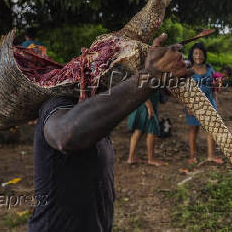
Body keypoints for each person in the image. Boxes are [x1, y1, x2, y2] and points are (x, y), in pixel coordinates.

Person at [27, 33, 192, 232]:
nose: (119, 73)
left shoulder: (98, 108)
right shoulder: (58, 104)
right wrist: (151, 76)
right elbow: (66, 135)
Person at [185, 42, 223, 165]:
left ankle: (211, 156)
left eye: (201, 53)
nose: (198, 56)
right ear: (192, 55)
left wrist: (215, 101)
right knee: (193, 129)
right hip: (194, 104)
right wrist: (189, 106)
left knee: (212, 130)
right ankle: (192, 156)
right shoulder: (188, 70)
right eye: (196, 53)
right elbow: (185, 90)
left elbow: (214, 88)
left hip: (209, 103)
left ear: (204, 55)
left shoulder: (209, 68)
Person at [126, 89, 165, 166]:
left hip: (145, 106)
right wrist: (150, 108)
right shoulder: (146, 77)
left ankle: (131, 158)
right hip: (146, 107)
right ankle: (151, 159)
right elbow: (142, 93)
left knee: (139, 130)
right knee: (152, 131)